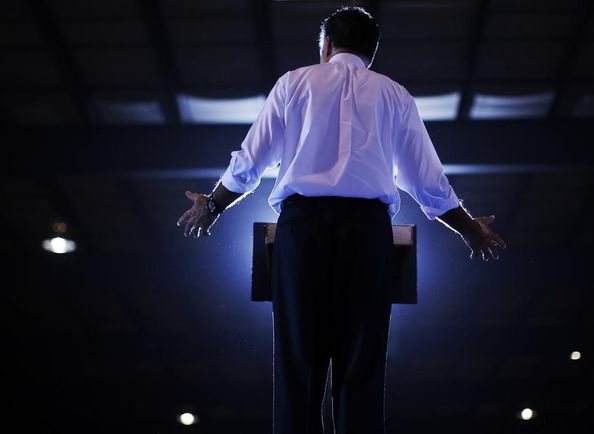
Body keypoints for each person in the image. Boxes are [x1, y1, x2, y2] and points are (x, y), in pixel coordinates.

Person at [177, 6, 506, 434]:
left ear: (326, 45)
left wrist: (213, 205)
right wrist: (470, 228)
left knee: (299, 365)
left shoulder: (294, 83)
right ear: (371, 53)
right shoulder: (394, 95)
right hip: (368, 235)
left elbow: (250, 162)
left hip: (302, 230)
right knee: (361, 370)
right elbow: (427, 180)